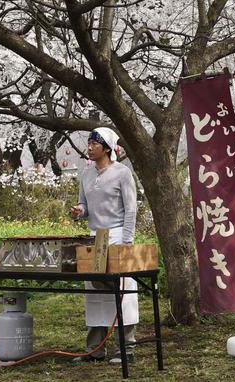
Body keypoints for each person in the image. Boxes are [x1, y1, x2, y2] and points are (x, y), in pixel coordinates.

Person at [70, 127, 138, 364]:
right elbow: (84, 204)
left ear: (107, 148)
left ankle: (126, 349)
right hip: (93, 239)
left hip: (118, 236)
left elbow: (131, 209)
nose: (88, 147)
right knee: (94, 294)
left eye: (94, 144)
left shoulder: (122, 173)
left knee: (123, 294)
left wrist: (127, 242)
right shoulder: (86, 174)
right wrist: (79, 211)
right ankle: (94, 349)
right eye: (88, 143)